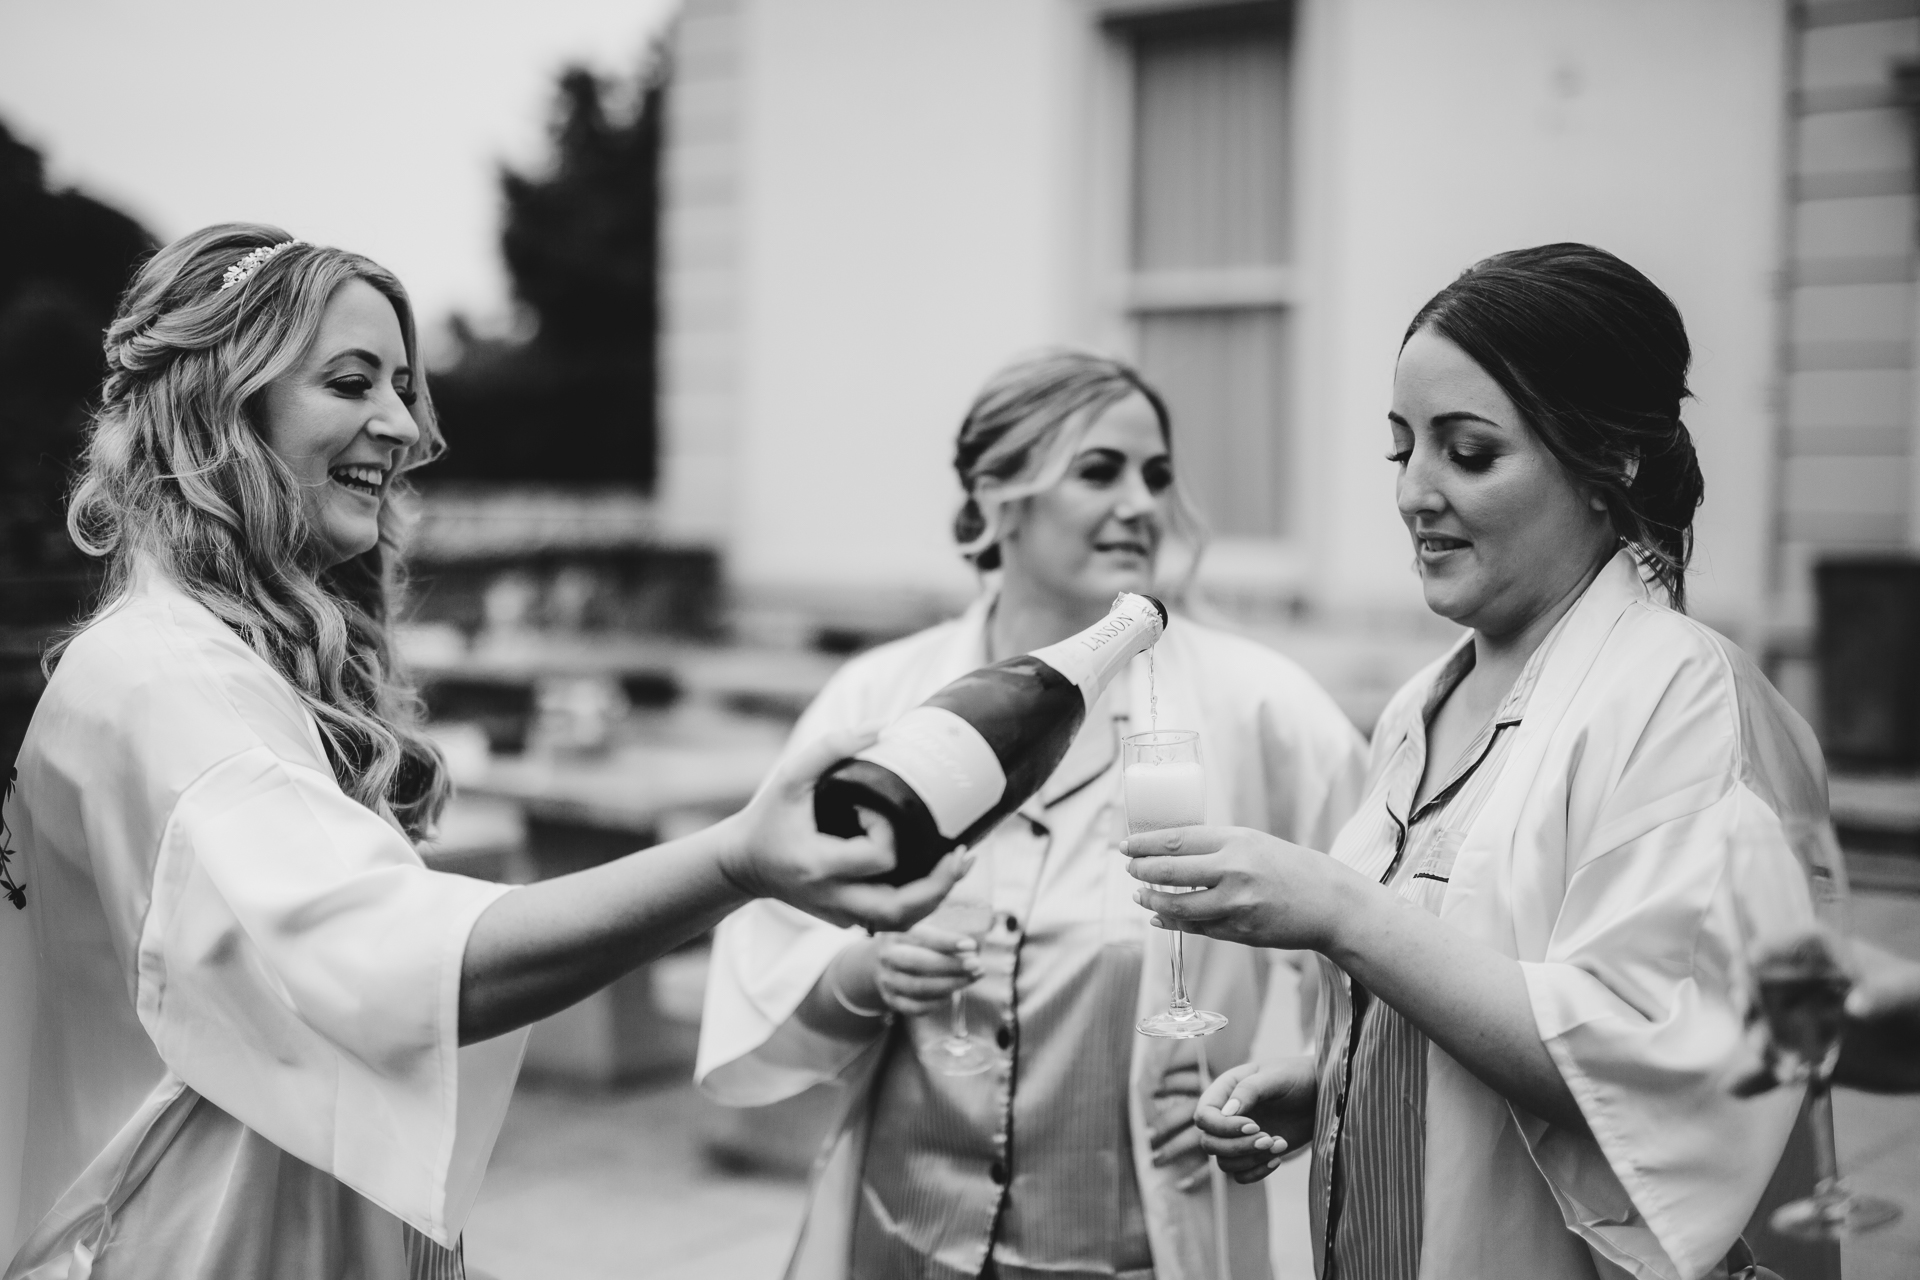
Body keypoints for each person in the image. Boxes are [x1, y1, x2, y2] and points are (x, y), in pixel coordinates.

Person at [0, 225, 959, 1280]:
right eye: (352, 380)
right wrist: (735, 860)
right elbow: (399, 963)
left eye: (403, 385)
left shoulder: (201, 661)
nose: (402, 424)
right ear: (222, 403)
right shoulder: (164, 684)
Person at [1131, 244, 1828, 1279]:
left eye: (1468, 451)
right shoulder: (1422, 703)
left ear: (1611, 459)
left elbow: (1654, 1060)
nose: (1416, 492)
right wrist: (1336, 1079)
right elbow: (1470, 992)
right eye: (1401, 448)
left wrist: (1336, 905)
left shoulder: (1682, 697)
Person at [697, 351, 1368, 1280]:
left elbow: (1379, 947)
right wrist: (864, 971)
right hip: (900, 1243)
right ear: (996, 492)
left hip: (1139, 1253)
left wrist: (1304, 1085)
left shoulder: (1263, 711)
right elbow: (765, 938)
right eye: (1100, 471)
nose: (1142, 503)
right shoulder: (879, 698)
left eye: (1157, 475)